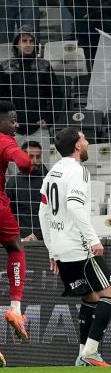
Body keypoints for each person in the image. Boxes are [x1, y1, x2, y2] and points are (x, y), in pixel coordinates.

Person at [39, 127, 111, 366]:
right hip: (78, 245)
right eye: (84, 139)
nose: (87, 142)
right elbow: (74, 206)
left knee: (91, 298)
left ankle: (82, 356)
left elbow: (43, 212)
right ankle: (91, 352)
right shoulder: (77, 171)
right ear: (77, 146)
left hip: (62, 248)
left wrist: (52, 249)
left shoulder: (53, 172)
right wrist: (93, 239)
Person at [0, 100, 31, 340]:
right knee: (15, 247)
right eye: (12, 120)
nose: (16, 124)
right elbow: (24, 163)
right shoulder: (4, 140)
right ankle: (15, 309)